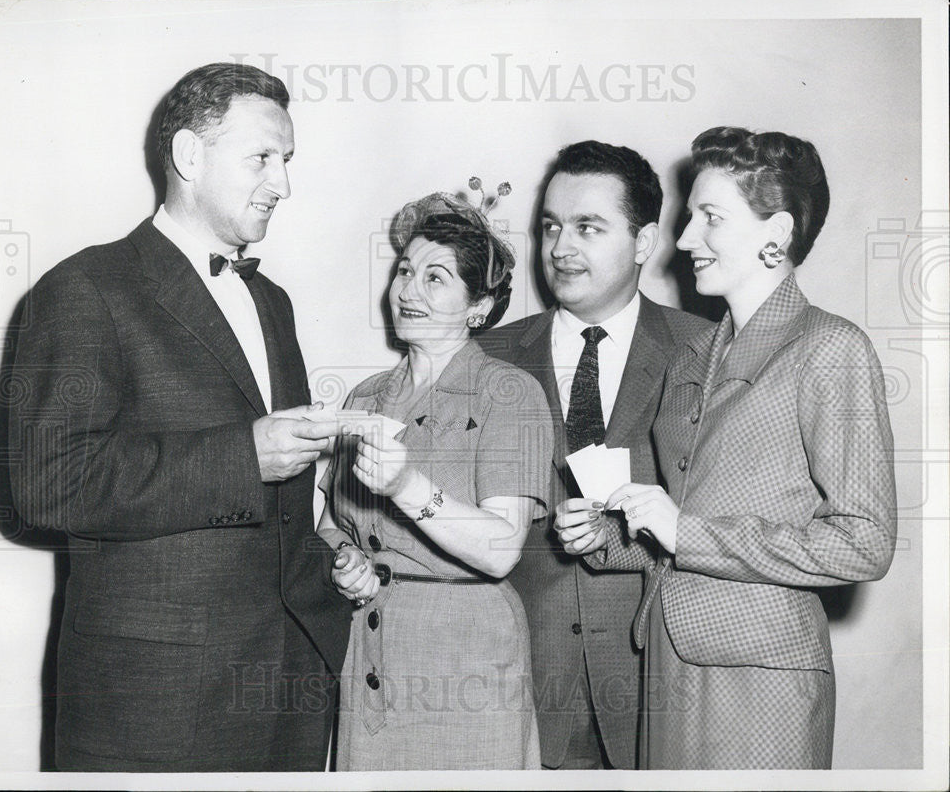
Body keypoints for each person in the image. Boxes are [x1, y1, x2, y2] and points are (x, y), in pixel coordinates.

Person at [7, 63, 348, 771]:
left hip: (286, 690)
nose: (283, 182)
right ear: (190, 156)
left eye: (286, 161)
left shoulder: (272, 301)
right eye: (263, 157)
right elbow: (46, 484)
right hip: (154, 705)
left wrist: (332, 562)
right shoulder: (84, 288)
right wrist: (243, 456)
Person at [556, 126, 897, 769]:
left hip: (759, 678)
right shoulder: (690, 358)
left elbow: (864, 541)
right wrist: (605, 535)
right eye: (689, 219)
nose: (684, 241)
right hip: (665, 662)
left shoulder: (831, 350)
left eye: (710, 218)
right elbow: (674, 526)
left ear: (777, 233)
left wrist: (689, 533)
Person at [477, 141, 710, 769]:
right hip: (520, 688)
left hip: (659, 687)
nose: (559, 248)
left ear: (643, 242)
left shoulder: (708, 352)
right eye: (550, 226)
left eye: (587, 226)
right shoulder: (484, 359)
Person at [317, 187, 554, 770]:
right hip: (371, 651)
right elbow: (328, 523)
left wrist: (407, 487)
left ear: (479, 306)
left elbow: (501, 550)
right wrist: (345, 560)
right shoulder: (366, 396)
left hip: (469, 661)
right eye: (404, 271)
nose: (408, 291)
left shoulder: (512, 394)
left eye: (436, 278)